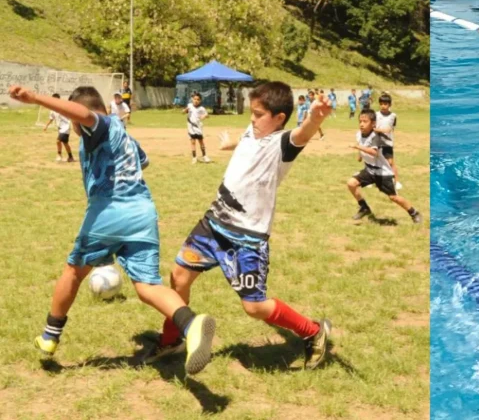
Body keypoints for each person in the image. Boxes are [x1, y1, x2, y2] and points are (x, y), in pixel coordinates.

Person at [7, 84, 217, 375]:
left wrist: (34, 98)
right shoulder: (123, 134)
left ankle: (49, 336)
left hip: (109, 212)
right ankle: (191, 325)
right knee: (148, 286)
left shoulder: (101, 124)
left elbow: (84, 114)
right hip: (143, 212)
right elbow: (143, 161)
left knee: (73, 272)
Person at [143, 82, 333, 370]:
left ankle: (313, 331)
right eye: (252, 113)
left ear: (279, 118)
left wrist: (315, 118)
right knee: (179, 276)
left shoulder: (282, 143)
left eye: (258, 114)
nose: (252, 119)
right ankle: (171, 340)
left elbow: (302, 133)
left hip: (247, 238)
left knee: (254, 307)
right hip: (213, 224)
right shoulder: (253, 131)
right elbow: (247, 146)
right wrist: (230, 144)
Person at [348, 109, 422, 224]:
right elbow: (361, 144)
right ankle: (364, 207)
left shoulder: (375, 137)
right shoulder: (358, 134)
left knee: (393, 197)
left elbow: (374, 152)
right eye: (360, 121)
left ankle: (414, 213)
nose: (361, 124)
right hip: (369, 170)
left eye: (365, 121)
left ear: (373, 124)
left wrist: (357, 147)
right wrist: (360, 155)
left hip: (383, 173)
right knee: (351, 183)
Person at [375, 93, 402, 190]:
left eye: (385, 104)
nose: (383, 106)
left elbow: (389, 129)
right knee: (374, 162)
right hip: (376, 142)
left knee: (390, 162)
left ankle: (397, 181)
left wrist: (377, 130)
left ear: (390, 104)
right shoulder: (376, 115)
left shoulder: (393, 116)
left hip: (387, 143)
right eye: (381, 104)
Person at [44, 93, 75, 163]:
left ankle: (59, 155)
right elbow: (51, 118)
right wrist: (46, 125)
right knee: (65, 143)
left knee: (58, 141)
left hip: (66, 127)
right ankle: (70, 157)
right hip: (60, 128)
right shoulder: (52, 109)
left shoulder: (63, 106)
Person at [184, 92, 211, 164]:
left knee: (201, 141)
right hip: (191, 126)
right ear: (192, 99)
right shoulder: (189, 105)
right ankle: (194, 157)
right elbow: (183, 112)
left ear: (200, 100)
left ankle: (204, 156)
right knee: (193, 142)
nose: (196, 101)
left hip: (198, 127)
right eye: (194, 99)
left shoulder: (201, 108)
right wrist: (185, 110)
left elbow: (207, 115)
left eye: (198, 99)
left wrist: (204, 116)